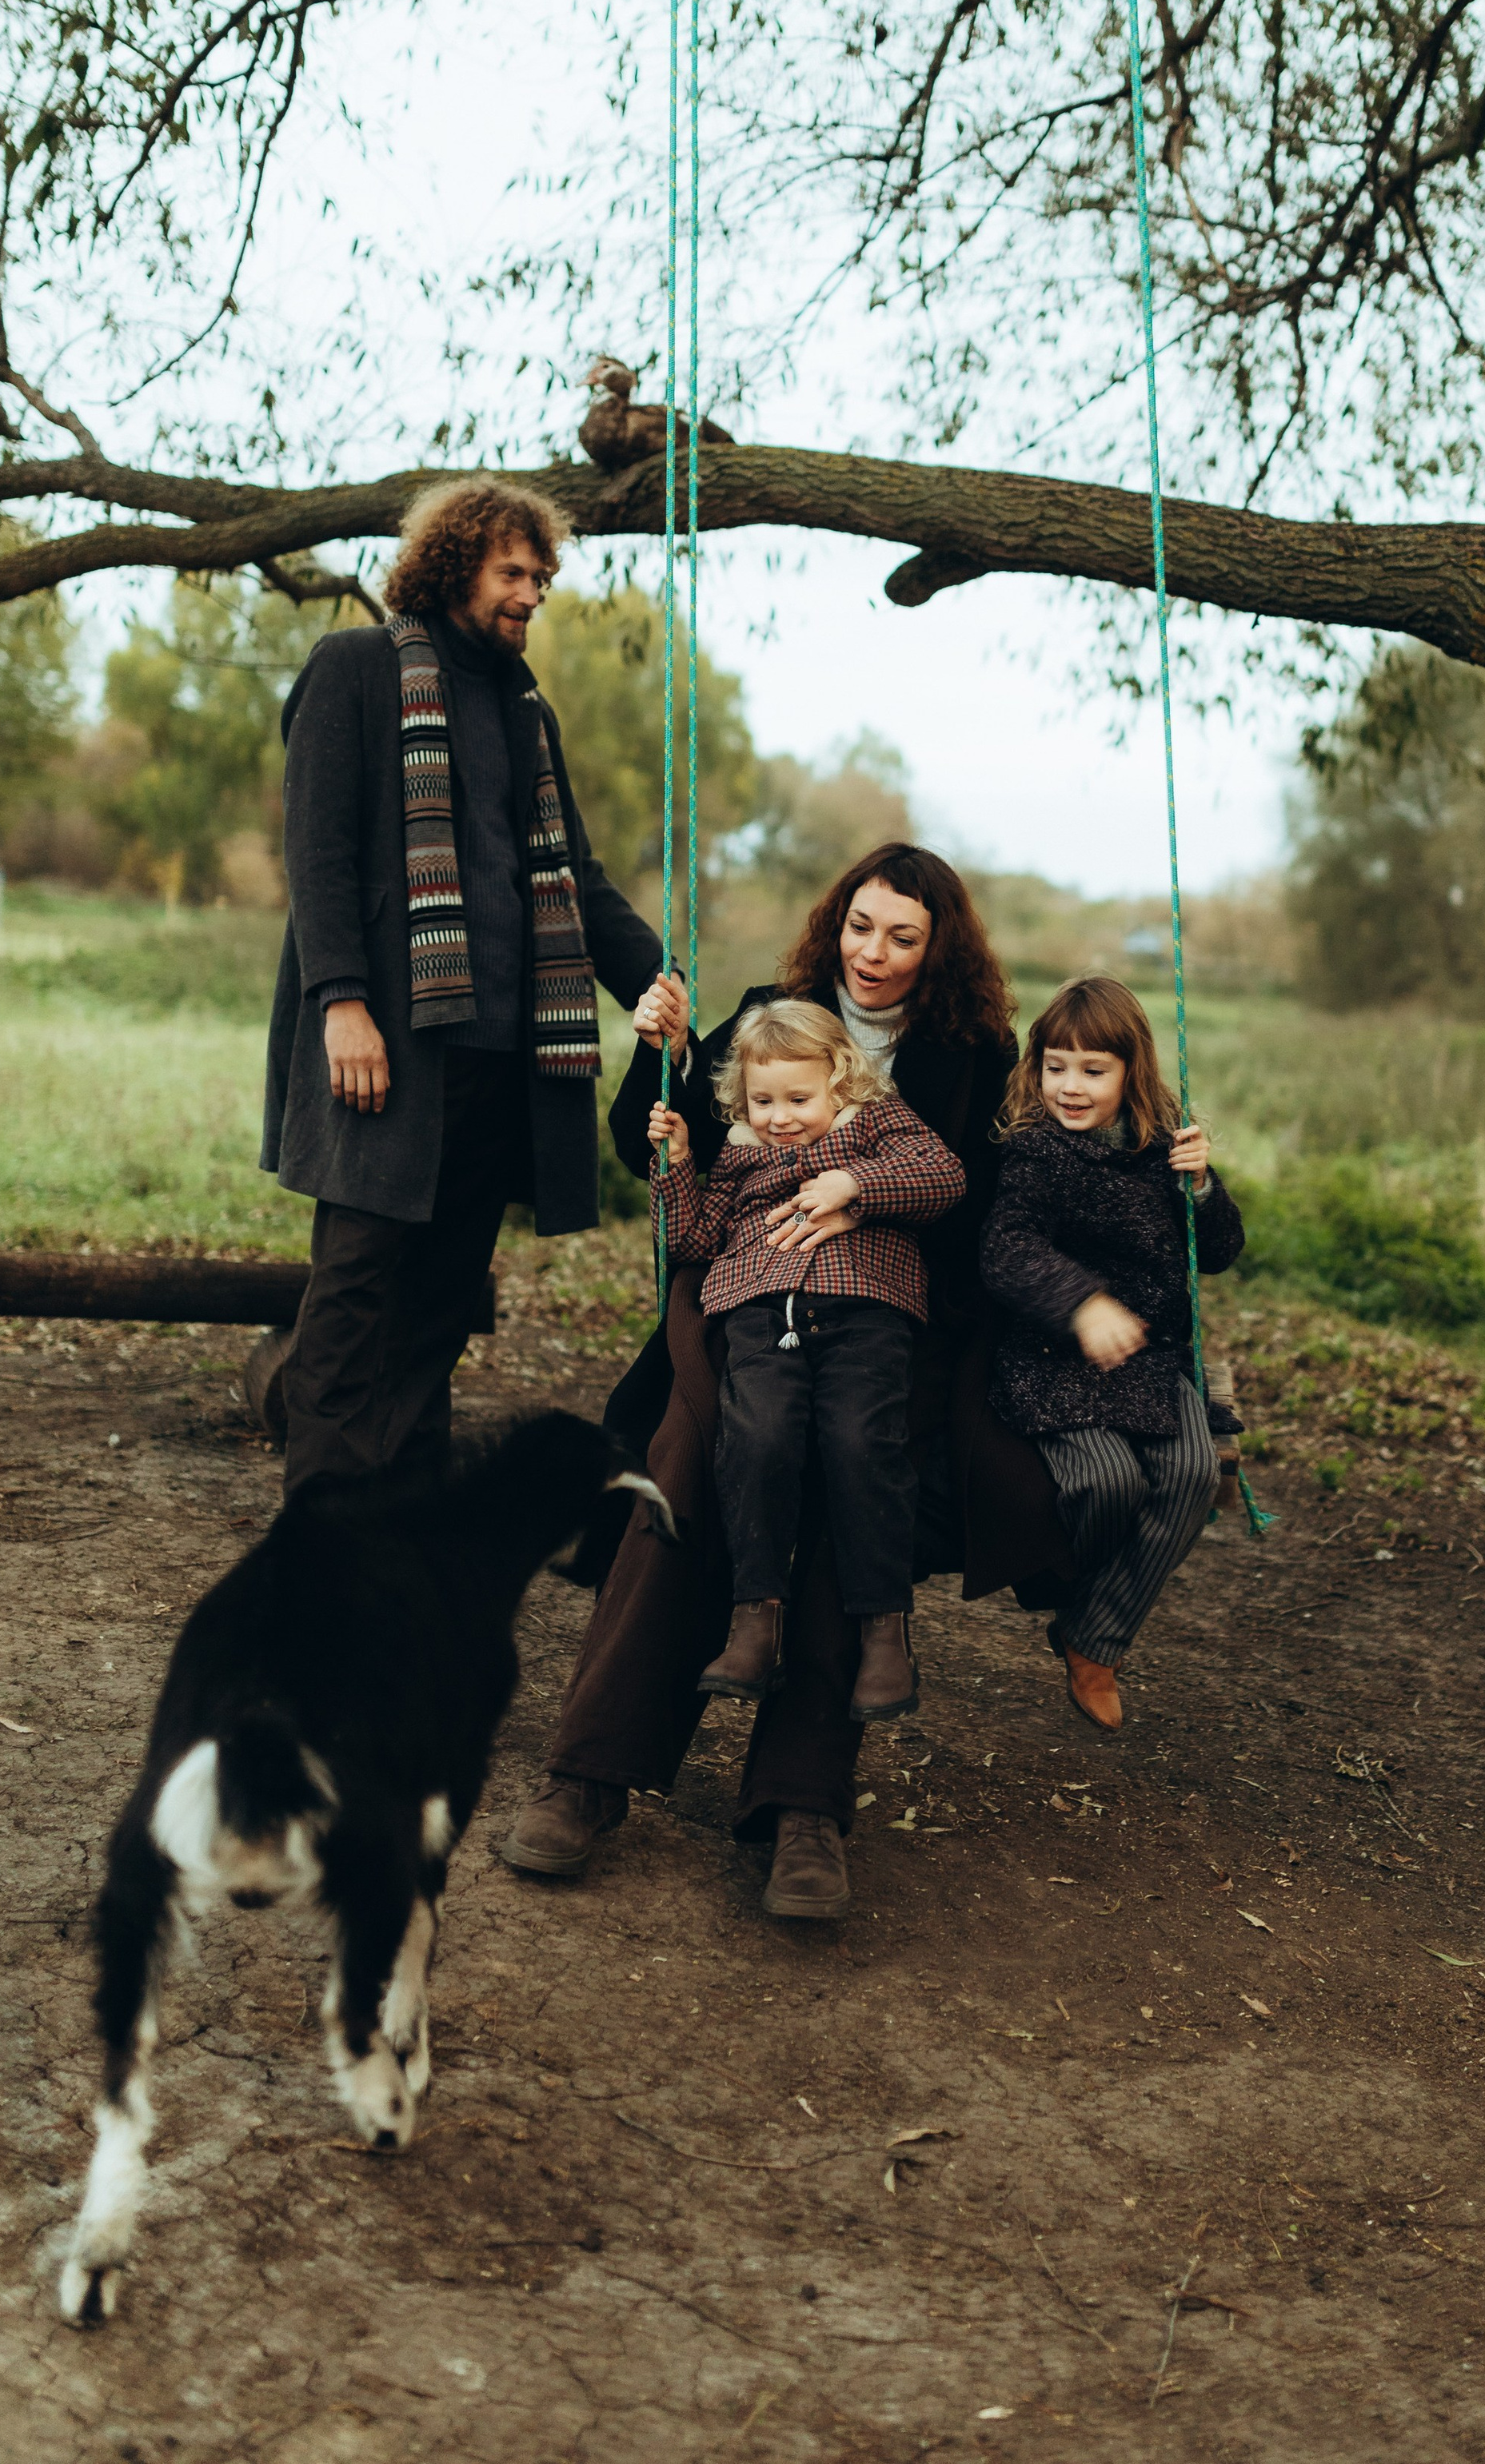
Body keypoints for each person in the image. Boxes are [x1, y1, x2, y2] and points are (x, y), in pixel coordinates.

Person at [498, 843, 1073, 1917]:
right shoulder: (775, 1008)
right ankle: (591, 1770)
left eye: (905, 936)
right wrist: (653, 1055)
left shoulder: (968, 1051)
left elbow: (979, 1198)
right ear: (835, 921)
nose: (877, 953)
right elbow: (658, 1145)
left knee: (857, 1470)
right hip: (743, 1298)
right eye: (862, 926)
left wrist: (865, 1196)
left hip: (890, 1316)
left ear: (938, 946)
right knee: (688, 1459)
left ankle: (802, 1803)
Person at [259, 476, 663, 1493]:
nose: (532, 592)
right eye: (512, 571)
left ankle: (403, 1539)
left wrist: (661, 979)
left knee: (438, 1310)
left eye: (542, 575)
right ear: (452, 568)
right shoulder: (355, 667)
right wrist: (341, 1003)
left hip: (499, 1063)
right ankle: (325, 1552)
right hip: (385, 1052)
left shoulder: (527, 710)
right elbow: (318, 854)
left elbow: (576, 874)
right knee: (355, 1302)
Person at [649, 999, 968, 1717]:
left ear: (841, 1082)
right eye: (763, 1100)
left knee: (862, 1442)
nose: (780, 1116)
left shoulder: (879, 1122)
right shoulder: (738, 1153)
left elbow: (944, 1176)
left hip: (867, 1307)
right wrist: (675, 1168)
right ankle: (755, 1618)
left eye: (799, 1097)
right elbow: (694, 1242)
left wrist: (855, 1183)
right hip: (763, 1312)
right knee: (756, 1437)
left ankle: (884, 1632)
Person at [980, 974, 1245, 1734]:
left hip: (1152, 1360)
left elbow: (1220, 1252)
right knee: (1106, 1482)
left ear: (1132, 1070)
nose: (1070, 1085)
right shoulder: (1033, 1152)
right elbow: (1008, 1249)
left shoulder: (1165, 1147)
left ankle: (1093, 1639)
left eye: (1093, 1069)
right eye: (1055, 1065)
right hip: (1053, 1355)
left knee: (1193, 1475)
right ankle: (1074, 1597)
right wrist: (1082, 1303)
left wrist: (1201, 1190)